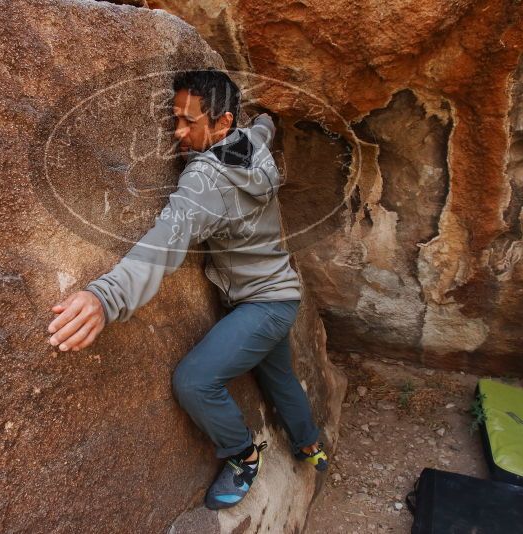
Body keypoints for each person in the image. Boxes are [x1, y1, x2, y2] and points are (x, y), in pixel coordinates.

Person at [47, 68, 327, 510]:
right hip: (281, 294)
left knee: (195, 381)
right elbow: (264, 125)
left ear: (222, 123)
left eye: (188, 121)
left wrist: (106, 296)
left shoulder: (205, 180)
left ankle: (243, 455)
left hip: (263, 306)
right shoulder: (252, 141)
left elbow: (164, 242)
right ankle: (311, 444)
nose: (176, 132)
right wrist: (266, 120)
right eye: (174, 117)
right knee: (279, 377)